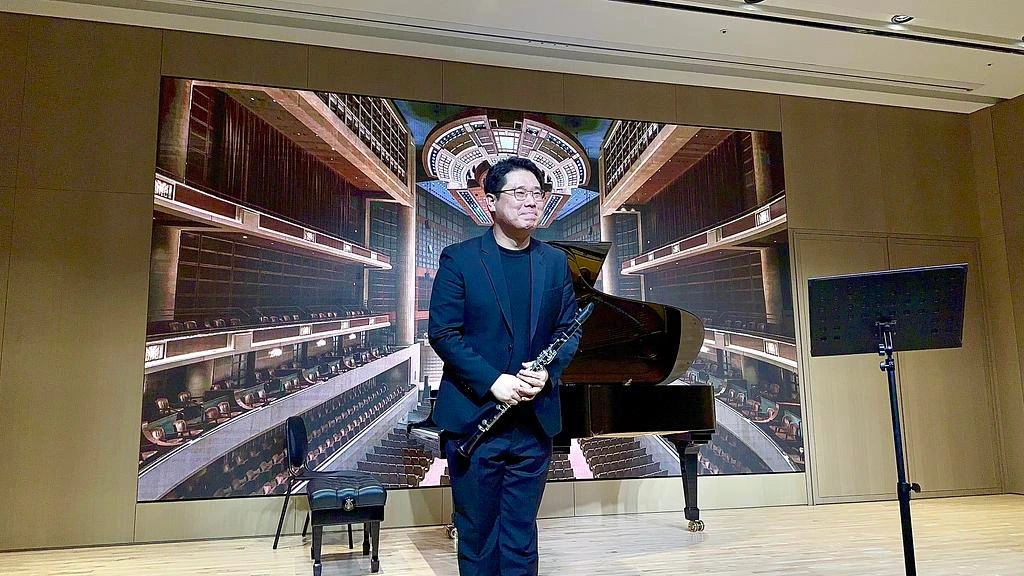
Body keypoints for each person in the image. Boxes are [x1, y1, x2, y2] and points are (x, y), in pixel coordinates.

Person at [427, 156, 582, 576]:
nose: (531, 201)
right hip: (476, 421)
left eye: (537, 193)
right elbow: (443, 333)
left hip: (533, 423)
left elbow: (568, 330)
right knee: (478, 536)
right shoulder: (459, 259)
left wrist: (548, 372)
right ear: (491, 201)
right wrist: (493, 381)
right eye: (519, 192)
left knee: (520, 534)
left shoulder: (555, 262)